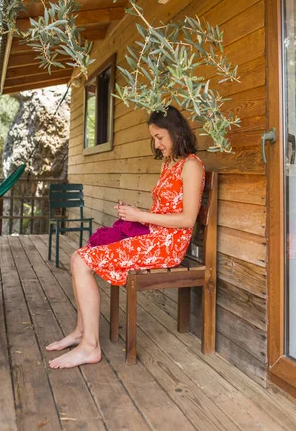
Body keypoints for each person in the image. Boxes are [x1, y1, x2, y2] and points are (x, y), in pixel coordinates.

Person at [46, 106, 205, 369]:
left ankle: (90, 347)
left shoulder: (191, 165)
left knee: (81, 261)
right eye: (154, 138)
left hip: (167, 246)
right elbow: (162, 210)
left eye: (160, 137)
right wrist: (134, 215)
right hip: (154, 237)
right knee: (78, 256)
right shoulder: (169, 164)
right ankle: (80, 332)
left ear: (176, 133)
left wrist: (141, 215)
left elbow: (187, 219)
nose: (156, 144)